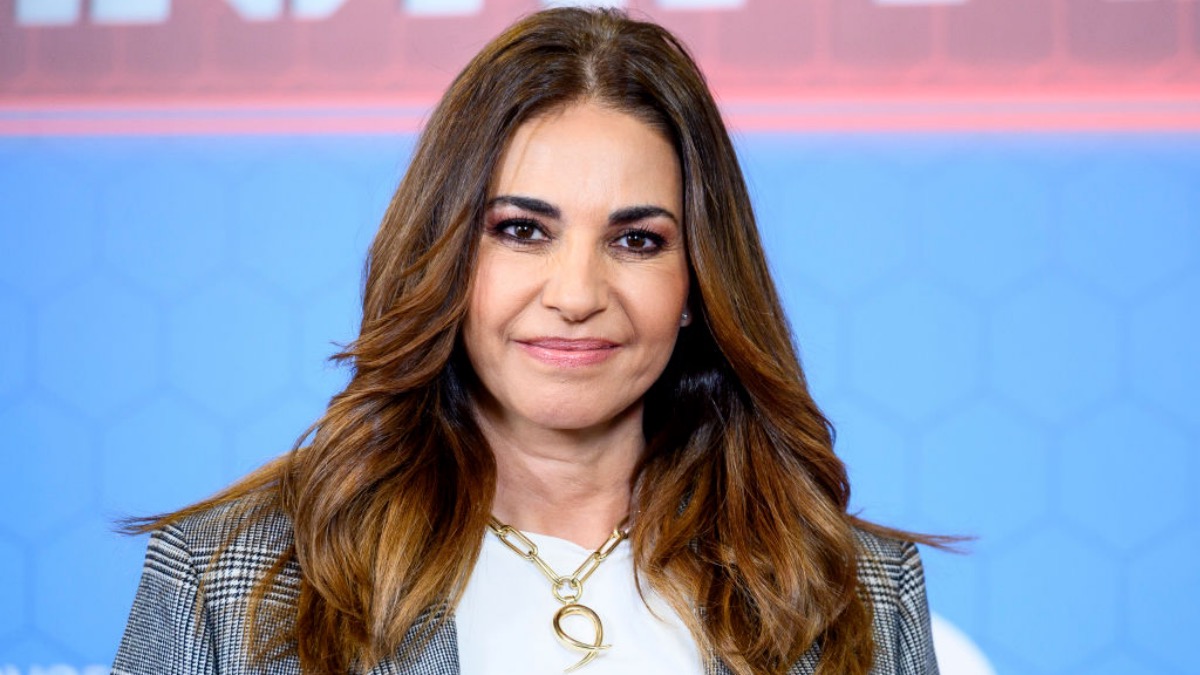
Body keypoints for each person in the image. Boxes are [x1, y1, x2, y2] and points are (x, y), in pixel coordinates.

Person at [113, 7, 944, 675]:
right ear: (444, 254)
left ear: (698, 284)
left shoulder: (858, 587)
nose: (576, 296)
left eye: (637, 240)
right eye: (521, 230)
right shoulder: (230, 577)